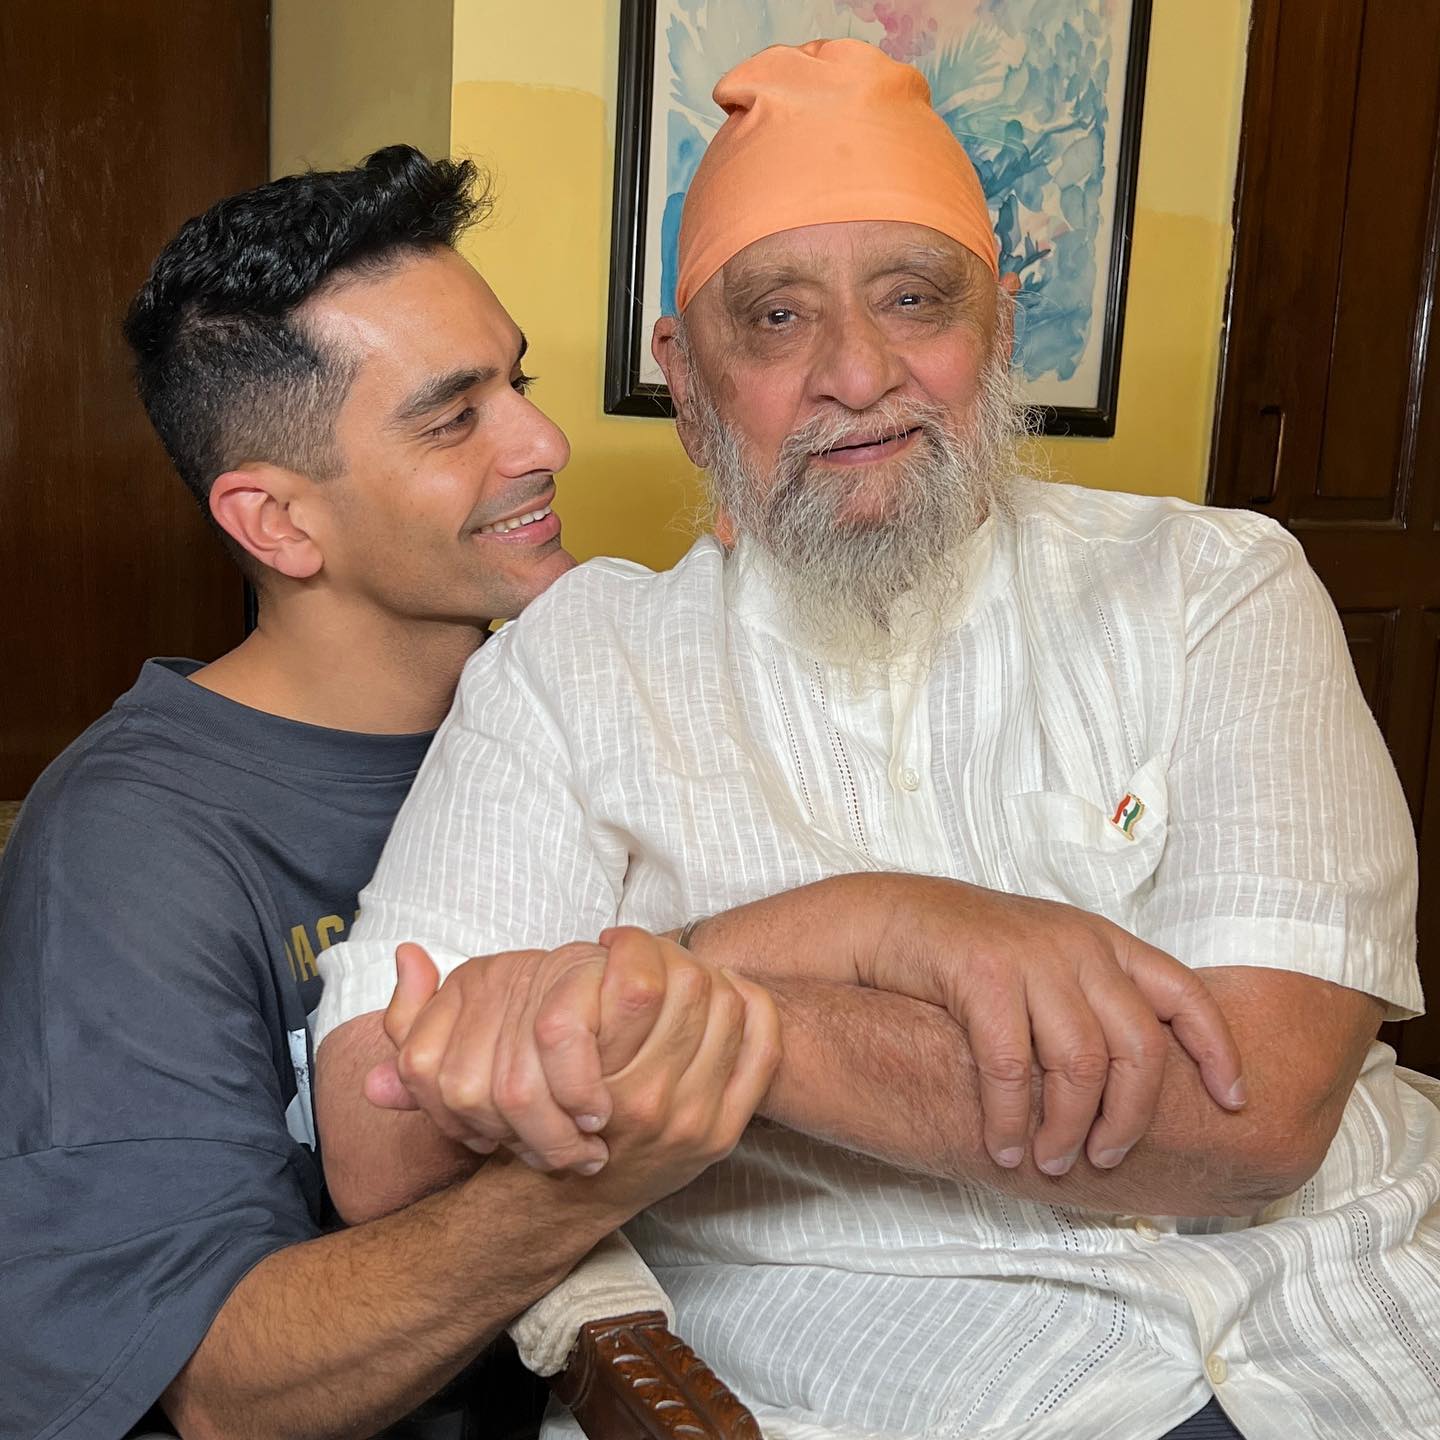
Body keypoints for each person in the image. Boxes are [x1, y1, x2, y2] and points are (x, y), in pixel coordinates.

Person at [313, 41, 1440, 1440]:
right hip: (890, 1393)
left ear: (1003, 325)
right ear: (687, 374)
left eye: (915, 300)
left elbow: (1252, 1125)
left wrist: (706, 1000)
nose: (857, 372)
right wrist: (880, 927)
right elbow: (379, 1126)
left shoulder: (1216, 587)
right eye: (775, 319)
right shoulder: (575, 667)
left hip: (1357, 1341)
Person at [0, 145, 781, 1440]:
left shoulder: (592, 716)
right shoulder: (134, 848)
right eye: (452, 415)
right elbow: (219, 1386)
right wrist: (577, 1190)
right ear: (279, 524)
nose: (545, 441)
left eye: (517, 382)